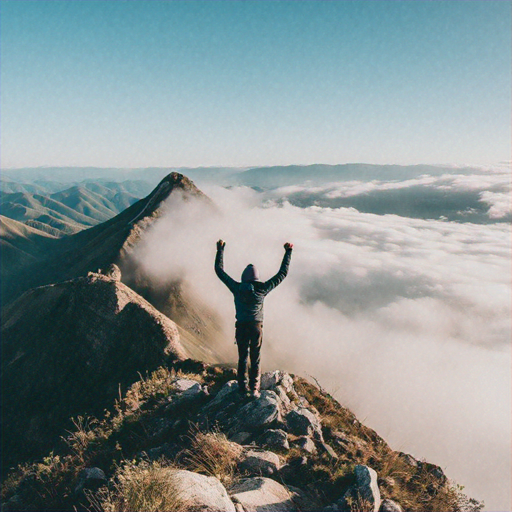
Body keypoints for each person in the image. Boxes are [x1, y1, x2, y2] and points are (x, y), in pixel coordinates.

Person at [215, 240, 293, 398]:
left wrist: (220, 249)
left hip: (241, 327)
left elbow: (219, 270)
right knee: (255, 358)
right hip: (256, 327)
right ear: (257, 278)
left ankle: (242, 388)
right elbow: (282, 274)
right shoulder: (263, 288)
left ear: (244, 278)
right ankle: (255, 389)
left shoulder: (236, 288)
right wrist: (288, 252)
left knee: (242, 357)